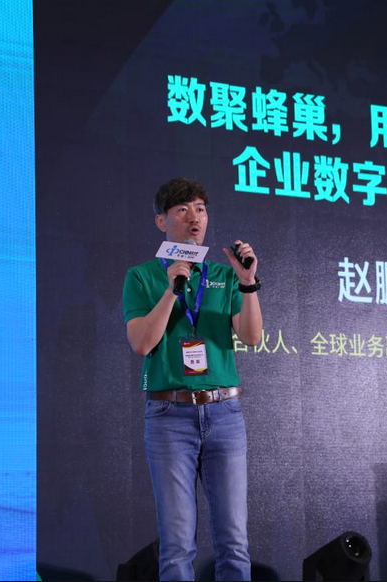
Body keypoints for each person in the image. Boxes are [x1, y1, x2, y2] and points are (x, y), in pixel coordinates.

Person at [122, 177, 263, 581]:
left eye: (200, 209)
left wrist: (248, 283)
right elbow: (141, 342)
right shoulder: (142, 277)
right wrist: (172, 291)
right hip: (169, 417)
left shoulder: (224, 274)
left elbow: (252, 337)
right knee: (177, 545)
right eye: (182, 210)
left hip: (224, 414)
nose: (194, 218)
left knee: (234, 542)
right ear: (161, 221)